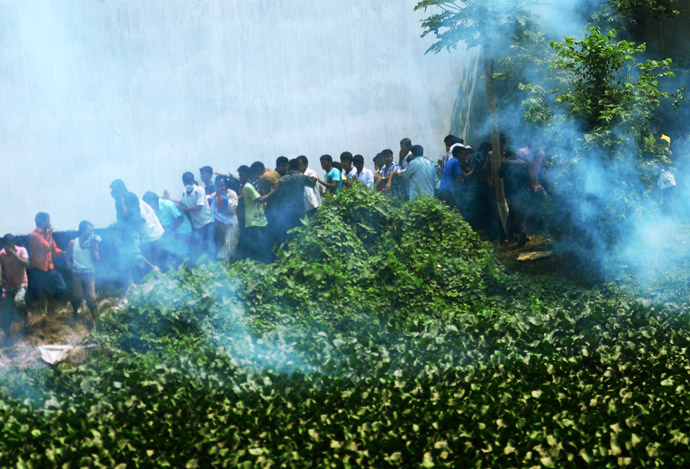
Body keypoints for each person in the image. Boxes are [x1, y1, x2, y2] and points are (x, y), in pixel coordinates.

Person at [111, 180, 158, 288]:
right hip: (123, 232)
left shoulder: (132, 197)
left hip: (133, 231)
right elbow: (119, 218)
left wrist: (122, 201)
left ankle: (153, 268)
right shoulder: (117, 201)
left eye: (116, 190)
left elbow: (127, 215)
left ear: (122, 189)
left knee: (135, 253)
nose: (114, 194)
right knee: (125, 256)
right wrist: (116, 235)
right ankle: (131, 283)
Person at [142, 191, 192, 269]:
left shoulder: (167, 205)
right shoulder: (154, 210)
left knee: (182, 251)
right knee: (174, 252)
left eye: (147, 204)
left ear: (152, 201)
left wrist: (170, 232)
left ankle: (189, 269)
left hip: (183, 230)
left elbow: (180, 218)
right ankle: (179, 270)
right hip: (172, 232)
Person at [273, 159, 318, 245]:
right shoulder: (301, 177)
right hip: (299, 210)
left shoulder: (282, 180)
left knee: (288, 233)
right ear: (299, 167)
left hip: (286, 211)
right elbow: (312, 184)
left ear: (288, 167)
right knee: (299, 232)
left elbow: (278, 197)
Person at [176, 172, 215, 262]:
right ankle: (201, 265)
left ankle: (213, 265)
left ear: (193, 181)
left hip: (208, 221)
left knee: (210, 245)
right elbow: (182, 203)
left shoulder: (199, 190)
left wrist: (182, 208)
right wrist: (170, 200)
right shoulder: (184, 193)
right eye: (186, 183)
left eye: (189, 182)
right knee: (198, 246)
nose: (187, 185)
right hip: (197, 224)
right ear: (183, 183)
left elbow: (198, 207)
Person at [29, 212, 67, 302]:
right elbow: (48, 247)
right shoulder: (34, 235)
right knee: (36, 294)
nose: (50, 223)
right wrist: (50, 233)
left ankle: (52, 306)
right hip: (38, 270)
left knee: (62, 287)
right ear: (42, 222)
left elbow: (54, 249)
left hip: (49, 268)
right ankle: (34, 311)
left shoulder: (47, 234)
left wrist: (64, 253)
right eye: (48, 221)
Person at [66, 221, 100, 323]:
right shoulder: (73, 243)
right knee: (78, 296)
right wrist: (68, 265)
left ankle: (96, 320)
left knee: (91, 298)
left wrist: (94, 249)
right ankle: (75, 313)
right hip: (77, 273)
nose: (92, 233)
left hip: (89, 273)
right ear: (83, 231)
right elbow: (67, 256)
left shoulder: (92, 244)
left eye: (92, 231)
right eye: (90, 231)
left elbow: (97, 261)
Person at [0, 234, 30, 340]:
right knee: (5, 312)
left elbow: (26, 264)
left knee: (18, 300)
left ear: (13, 244)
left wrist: (13, 254)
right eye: (5, 246)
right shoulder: (2, 254)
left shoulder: (21, 250)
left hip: (21, 283)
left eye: (8, 245)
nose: (6, 248)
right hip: (9, 286)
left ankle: (26, 313)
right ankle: (8, 336)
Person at [243, 164, 275, 262]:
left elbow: (264, 197)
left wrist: (262, 187)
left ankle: (265, 264)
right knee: (259, 246)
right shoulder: (248, 186)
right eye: (259, 174)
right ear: (254, 175)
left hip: (262, 220)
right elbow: (260, 199)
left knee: (265, 245)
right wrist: (273, 192)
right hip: (253, 221)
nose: (260, 177)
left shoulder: (257, 186)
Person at [499, 155, 531, 246]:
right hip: (525, 193)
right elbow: (528, 177)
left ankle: (522, 236)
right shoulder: (523, 163)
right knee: (518, 215)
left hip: (514, 195)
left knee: (517, 217)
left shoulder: (505, 163)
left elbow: (499, 174)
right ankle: (513, 235)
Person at [211, 175, 240, 261]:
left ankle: (224, 265)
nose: (221, 186)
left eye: (222, 184)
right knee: (221, 244)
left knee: (229, 245)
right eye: (219, 184)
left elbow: (232, 209)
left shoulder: (231, 194)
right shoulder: (214, 195)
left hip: (231, 224)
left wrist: (224, 197)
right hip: (219, 225)